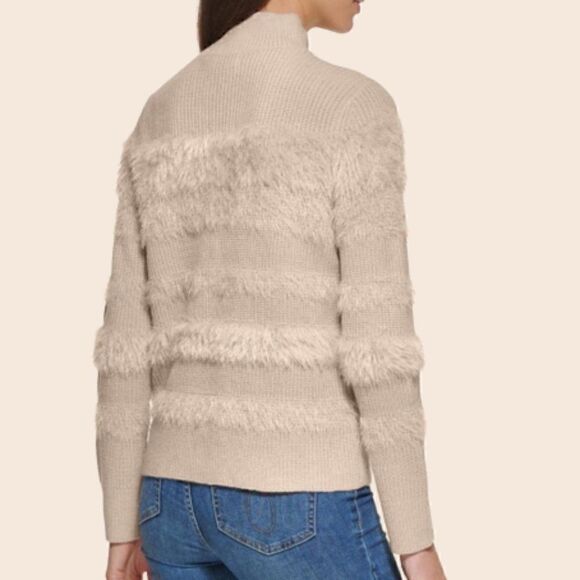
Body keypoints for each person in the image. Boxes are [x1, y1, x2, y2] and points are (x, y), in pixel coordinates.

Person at [93, 1, 447, 578]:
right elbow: (378, 344)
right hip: (298, 498)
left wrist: (120, 529)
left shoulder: (161, 110)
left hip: (168, 507)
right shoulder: (351, 106)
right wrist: (417, 543)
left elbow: (124, 345)